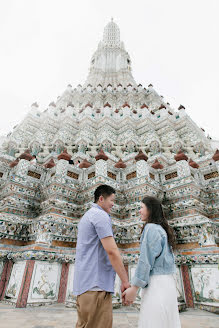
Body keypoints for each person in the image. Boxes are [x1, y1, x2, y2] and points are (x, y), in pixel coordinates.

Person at [73, 184, 130, 328]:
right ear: (101, 199)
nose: (113, 204)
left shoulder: (88, 215)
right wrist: (125, 281)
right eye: (112, 200)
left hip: (85, 285)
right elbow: (112, 251)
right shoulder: (100, 215)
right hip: (96, 285)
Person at [122, 196, 181, 328]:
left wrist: (134, 288)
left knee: (154, 321)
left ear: (150, 209)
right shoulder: (161, 229)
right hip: (167, 283)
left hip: (156, 284)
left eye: (141, 207)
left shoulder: (151, 228)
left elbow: (145, 261)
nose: (139, 211)